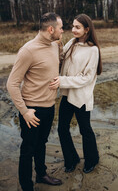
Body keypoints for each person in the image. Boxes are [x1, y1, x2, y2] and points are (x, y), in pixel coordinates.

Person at [7, 13, 63, 191]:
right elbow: (12, 84)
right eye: (61, 28)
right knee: (27, 150)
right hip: (32, 110)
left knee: (42, 144)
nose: (63, 30)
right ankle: (26, 186)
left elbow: (54, 63)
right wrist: (24, 111)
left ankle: (41, 174)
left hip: (49, 107)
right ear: (51, 29)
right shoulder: (28, 50)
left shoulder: (55, 45)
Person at [49, 13, 102, 174]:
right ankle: (71, 159)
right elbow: (61, 57)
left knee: (85, 130)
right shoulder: (72, 42)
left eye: (77, 27)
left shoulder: (93, 50)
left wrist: (62, 81)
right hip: (67, 95)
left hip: (82, 98)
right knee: (62, 129)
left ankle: (92, 159)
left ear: (87, 29)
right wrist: (56, 46)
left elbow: (87, 78)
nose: (73, 30)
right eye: (72, 26)